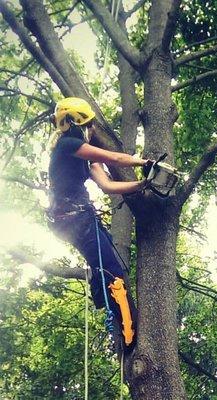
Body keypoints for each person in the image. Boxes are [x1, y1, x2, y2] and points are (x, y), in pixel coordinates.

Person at [47, 97, 149, 351]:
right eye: (89, 124)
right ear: (73, 122)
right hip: (72, 218)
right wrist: (145, 163)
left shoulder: (86, 156)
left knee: (107, 259)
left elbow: (108, 186)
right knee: (113, 270)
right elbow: (114, 157)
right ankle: (128, 335)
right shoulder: (68, 144)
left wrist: (143, 185)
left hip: (77, 219)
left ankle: (103, 295)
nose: (91, 129)